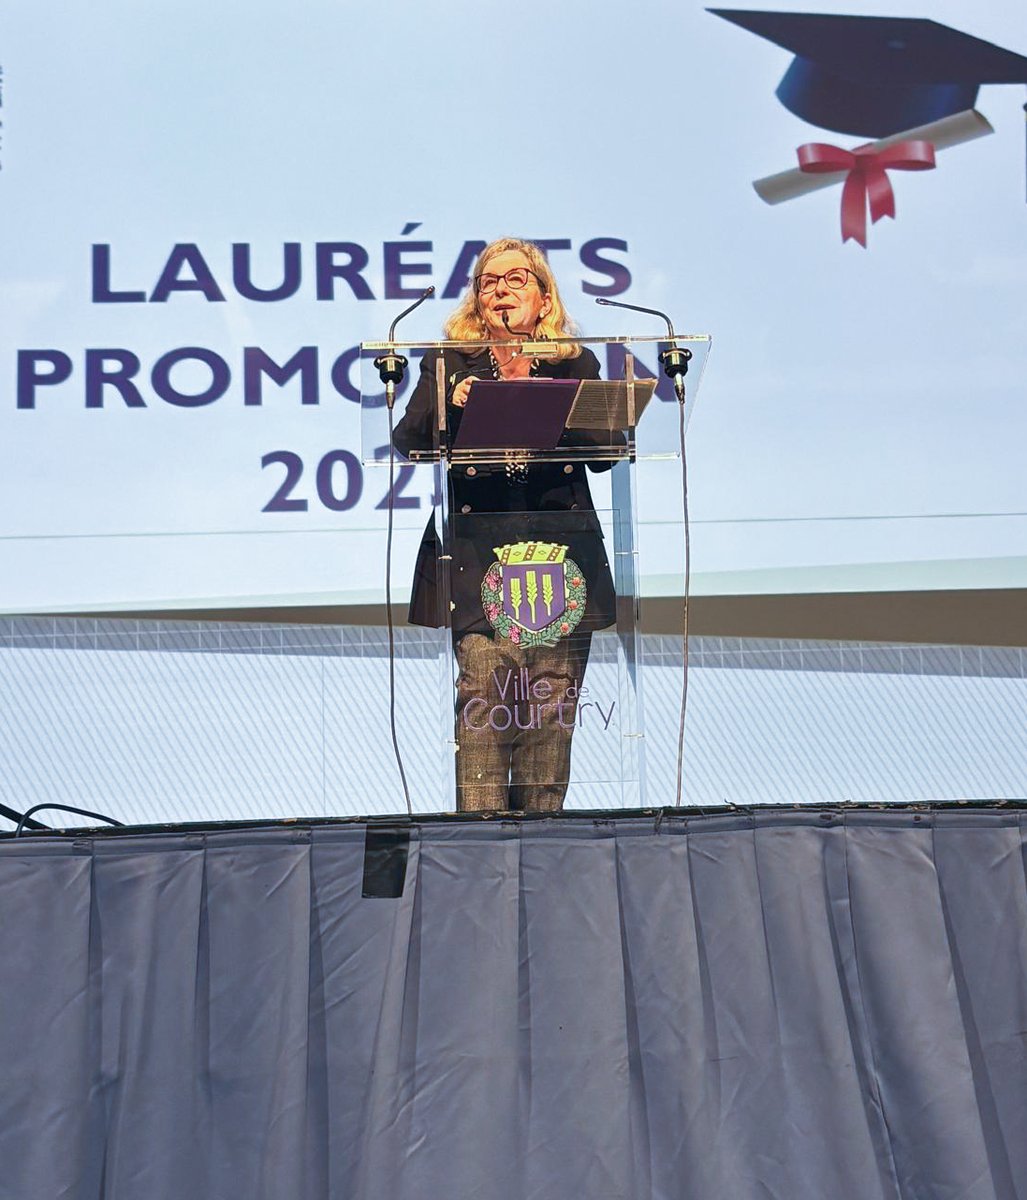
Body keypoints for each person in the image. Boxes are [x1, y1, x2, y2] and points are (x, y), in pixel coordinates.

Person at [393, 237, 616, 812]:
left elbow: (608, 448)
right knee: (484, 718)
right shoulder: (448, 363)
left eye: (516, 279)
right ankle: (478, 851)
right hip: (479, 568)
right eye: (489, 282)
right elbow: (408, 441)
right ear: (476, 300)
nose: (501, 291)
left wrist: (552, 402)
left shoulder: (573, 363)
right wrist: (453, 402)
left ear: (544, 298)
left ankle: (541, 849)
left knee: (549, 724)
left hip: (561, 570)